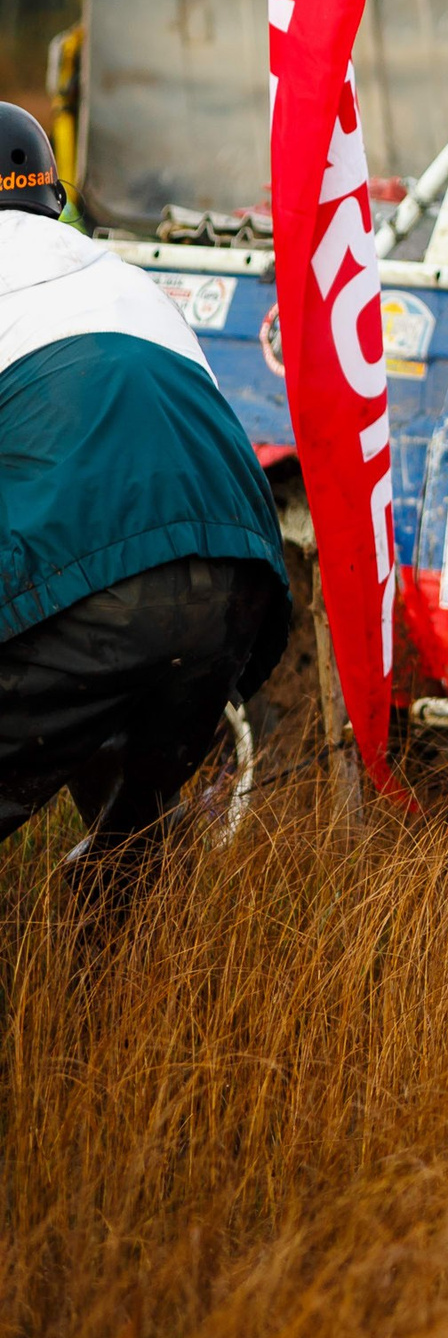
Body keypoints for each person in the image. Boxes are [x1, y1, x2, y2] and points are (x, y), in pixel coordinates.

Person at [0, 101, 290, 892]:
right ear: (52, 194)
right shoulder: (122, 275)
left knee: (79, 627)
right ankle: (124, 945)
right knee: (131, 835)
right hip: (237, 584)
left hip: (101, 577)